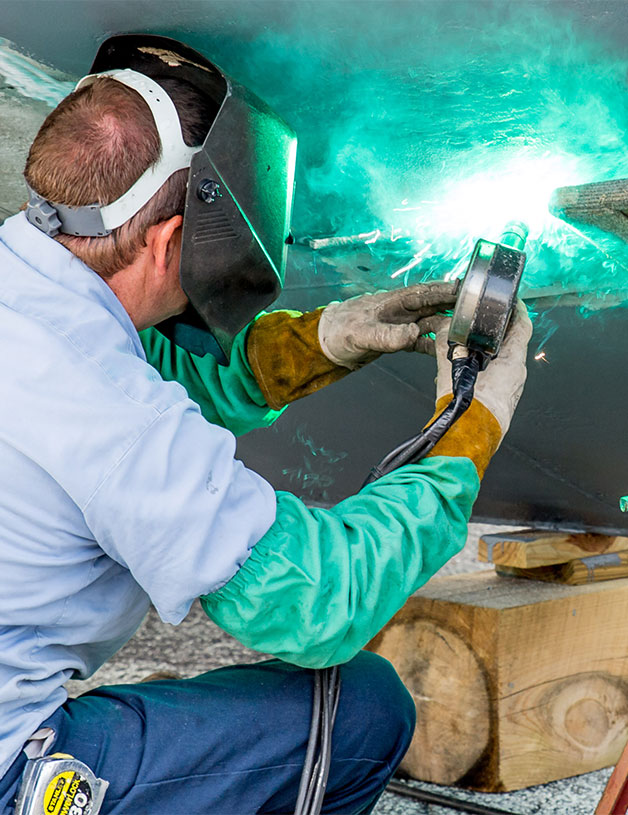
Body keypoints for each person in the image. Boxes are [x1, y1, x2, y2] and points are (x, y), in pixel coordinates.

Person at [0, 35, 532, 815]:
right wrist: (471, 426)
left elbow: (139, 370)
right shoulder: (113, 415)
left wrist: (325, 338)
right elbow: (321, 602)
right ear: (172, 240)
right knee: (359, 711)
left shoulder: (35, 295)